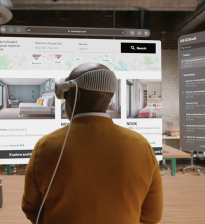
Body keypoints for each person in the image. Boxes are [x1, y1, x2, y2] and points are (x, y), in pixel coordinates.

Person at [22, 63, 163, 224]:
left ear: (77, 95)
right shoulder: (141, 146)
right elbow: (152, 216)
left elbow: (32, 209)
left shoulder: (45, 146)